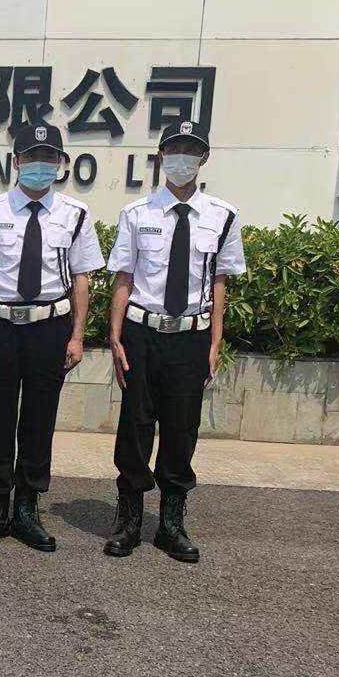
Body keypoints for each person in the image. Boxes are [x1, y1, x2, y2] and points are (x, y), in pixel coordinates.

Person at [104, 119, 245, 563]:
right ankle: (128, 520)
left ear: (205, 158)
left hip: (190, 338)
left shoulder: (223, 216)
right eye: (175, 149)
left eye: (192, 150)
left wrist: (215, 342)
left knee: (182, 430)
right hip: (142, 334)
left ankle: (170, 524)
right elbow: (123, 279)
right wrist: (115, 336)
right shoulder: (136, 213)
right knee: (135, 426)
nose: (183, 158)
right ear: (161, 156)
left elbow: (219, 282)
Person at [0, 121, 104, 551]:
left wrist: (77, 336)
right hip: (0, 327)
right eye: (31, 157)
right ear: (16, 162)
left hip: (50, 328)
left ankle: (27, 507)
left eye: (48, 158)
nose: (39, 165)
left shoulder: (75, 214)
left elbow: (81, 279)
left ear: (60, 163)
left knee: (40, 419)